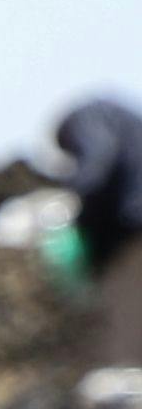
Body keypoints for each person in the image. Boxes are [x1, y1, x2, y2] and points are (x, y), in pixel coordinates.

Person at [65, 97, 142, 370]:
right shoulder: (129, 123)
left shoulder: (88, 116)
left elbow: (98, 163)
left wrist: (77, 206)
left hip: (133, 231)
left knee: (127, 354)